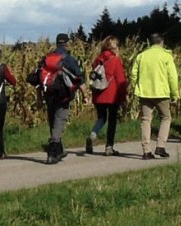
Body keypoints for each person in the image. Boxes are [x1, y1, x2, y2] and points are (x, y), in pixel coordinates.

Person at [34, 33, 84, 164]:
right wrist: (86, 95)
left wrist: (39, 98)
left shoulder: (47, 58)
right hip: (63, 95)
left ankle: (59, 150)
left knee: (52, 119)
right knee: (60, 120)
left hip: (48, 93)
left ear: (56, 43)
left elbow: (38, 79)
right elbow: (79, 79)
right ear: (67, 43)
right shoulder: (69, 59)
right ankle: (52, 151)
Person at [128, 33, 179, 159]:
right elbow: (172, 76)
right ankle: (160, 146)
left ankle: (146, 150)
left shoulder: (141, 56)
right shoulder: (166, 56)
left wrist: (136, 86)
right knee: (166, 118)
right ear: (162, 42)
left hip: (145, 92)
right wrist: (175, 93)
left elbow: (133, 74)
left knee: (146, 120)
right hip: (161, 92)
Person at [87, 37, 128, 156]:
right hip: (112, 95)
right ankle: (109, 147)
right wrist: (123, 97)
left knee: (101, 118)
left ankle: (93, 134)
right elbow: (121, 80)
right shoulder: (115, 60)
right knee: (112, 120)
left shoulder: (97, 59)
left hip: (98, 94)